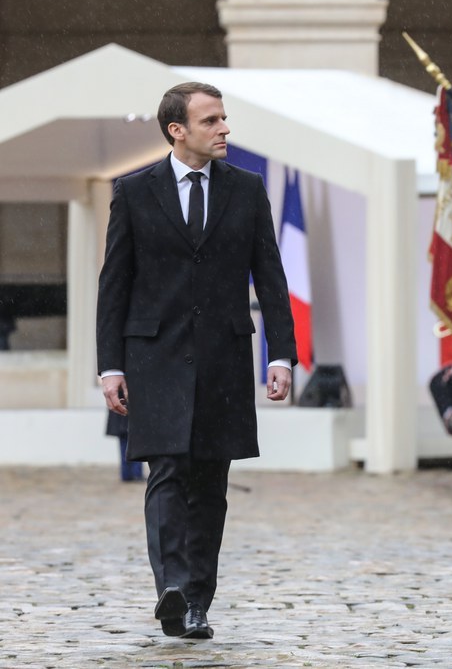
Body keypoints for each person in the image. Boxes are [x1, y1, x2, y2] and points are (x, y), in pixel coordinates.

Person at [96, 82, 297, 638]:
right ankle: (172, 588)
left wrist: (280, 354)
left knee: (210, 479)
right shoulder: (134, 192)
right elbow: (114, 284)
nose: (224, 128)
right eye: (211, 121)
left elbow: (271, 277)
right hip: (153, 356)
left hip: (225, 357)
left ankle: (198, 602)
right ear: (176, 130)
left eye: (224, 118)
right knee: (165, 470)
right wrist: (110, 366)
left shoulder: (247, 189)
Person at [107, 409, 143, 482]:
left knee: (125, 447)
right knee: (136, 447)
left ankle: (127, 474)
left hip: (121, 421)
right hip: (130, 420)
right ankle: (135, 474)